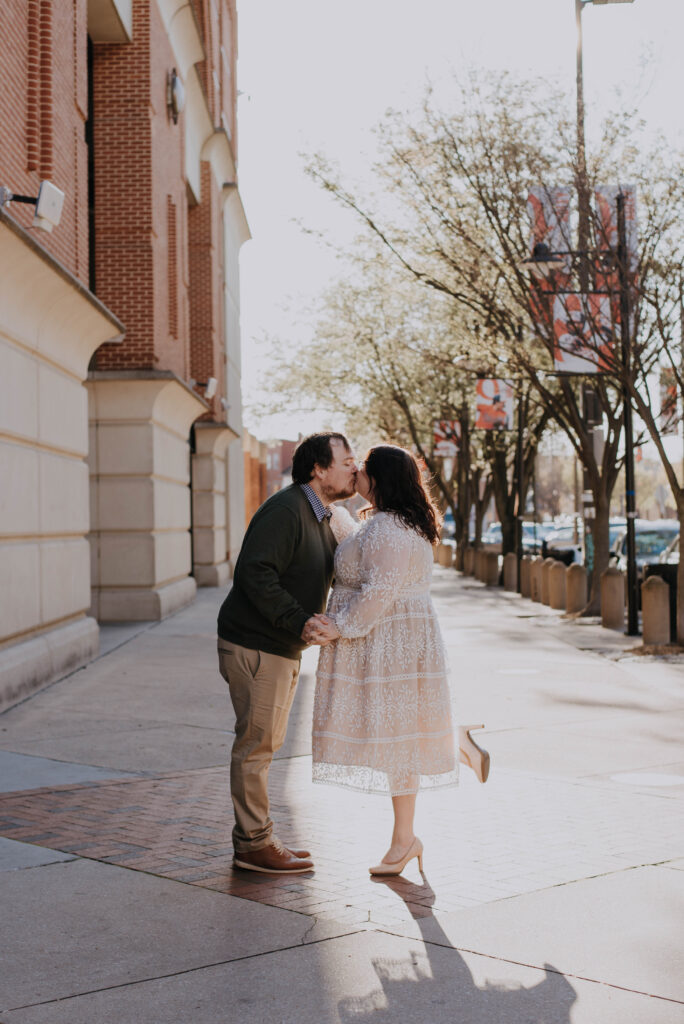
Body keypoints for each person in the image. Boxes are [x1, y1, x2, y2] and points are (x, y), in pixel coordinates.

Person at [310, 444, 489, 876]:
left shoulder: (389, 527)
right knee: (396, 741)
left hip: (391, 640)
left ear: (382, 479)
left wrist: (341, 626)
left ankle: (408, 832)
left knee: (394, 738)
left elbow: (380, 591)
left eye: (364, 470)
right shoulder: (389, 523)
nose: (357, 475)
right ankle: (405, 837)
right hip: (397, 638)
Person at [217, 432, 357, 874]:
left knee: (266, 744)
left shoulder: (321, 516)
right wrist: (298, 620)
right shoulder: (287, 509)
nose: (354, 468)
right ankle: (253, 845)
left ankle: (258, 837)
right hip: (257, 645)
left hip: (277, 647)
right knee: (257, 747)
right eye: (347, 460)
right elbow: (255, 572)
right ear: (319, 468)